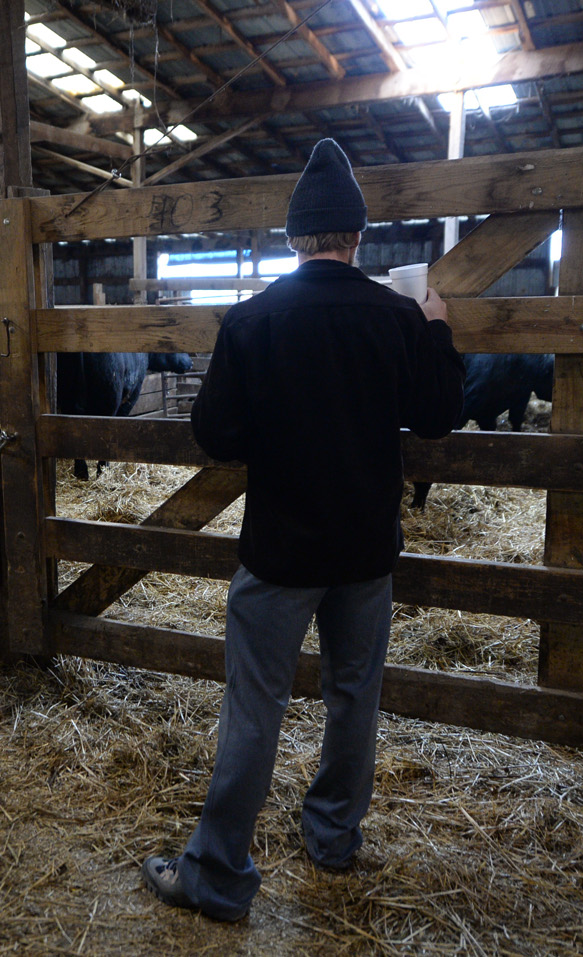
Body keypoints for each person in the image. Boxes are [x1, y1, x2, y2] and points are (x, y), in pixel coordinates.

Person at [140, 139, 466, 922]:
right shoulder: (395, 316)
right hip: (363, 548)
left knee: (255, 706)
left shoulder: (254, 320)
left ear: (294, 238)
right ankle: (333, 838)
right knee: (355, 697)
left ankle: (216, 875)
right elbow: (439, 416)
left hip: (281, 548)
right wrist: (436, 329)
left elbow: (216, 434)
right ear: (357, 237)